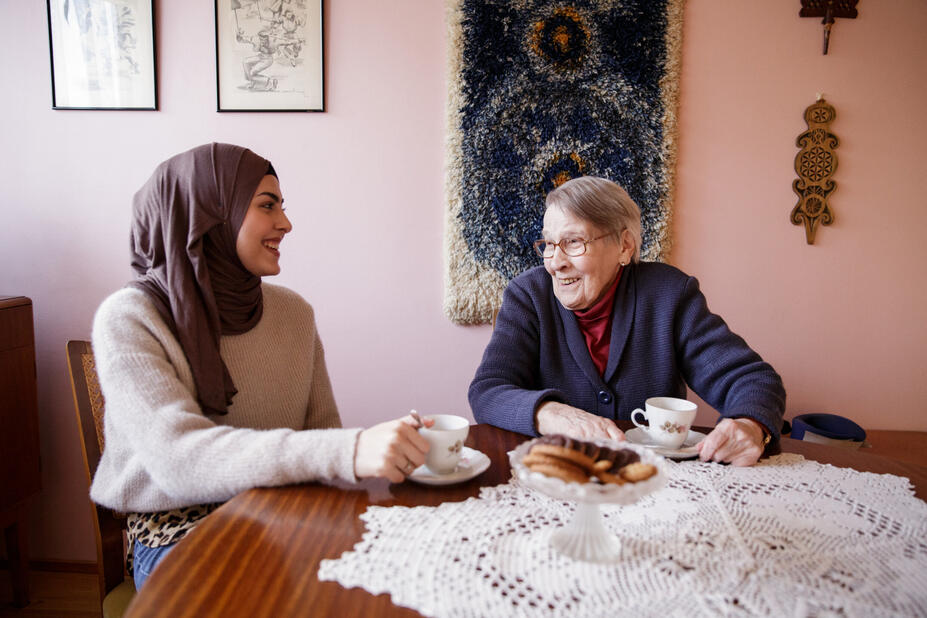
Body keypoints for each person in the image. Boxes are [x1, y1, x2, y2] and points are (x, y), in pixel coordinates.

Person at [89, 143, 430, 590]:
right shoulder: (130, 317)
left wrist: (375, 454)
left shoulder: (294, 313)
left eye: (282, 207)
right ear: (206, 215)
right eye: (267, 205)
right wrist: (352, 449)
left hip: (285, 513)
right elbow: (178, 461)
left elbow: (320, 435)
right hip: (179, 532)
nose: (286, 223)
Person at [469, 176, 785, 467]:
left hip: (652, 484)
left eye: (574, 242)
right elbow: (488, 391)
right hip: (555, 476)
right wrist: (548, 413)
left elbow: (752, 379)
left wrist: (750, 425)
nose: (556, 262)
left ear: (624, 245)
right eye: (549, 244)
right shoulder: (529, 296)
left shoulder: (669, 295)